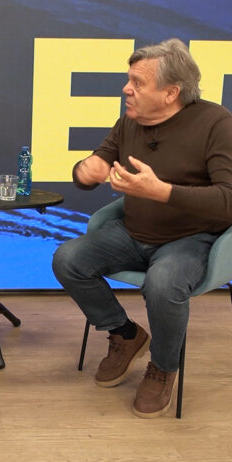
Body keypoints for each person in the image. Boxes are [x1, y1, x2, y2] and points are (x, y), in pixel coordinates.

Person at [52, 38, 232, 418]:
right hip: (132, 233)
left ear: (171, 92)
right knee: (68, 259)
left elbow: (228, 199)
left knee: (163, 283)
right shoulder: (129, 121)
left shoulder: (216, 123)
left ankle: (163, 367)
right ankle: (125, 334)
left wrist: (163, 192)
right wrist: (86, 170)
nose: (126, 89)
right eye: (128, 79)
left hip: (193, 239)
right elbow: (94, 166)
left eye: (137, 82)